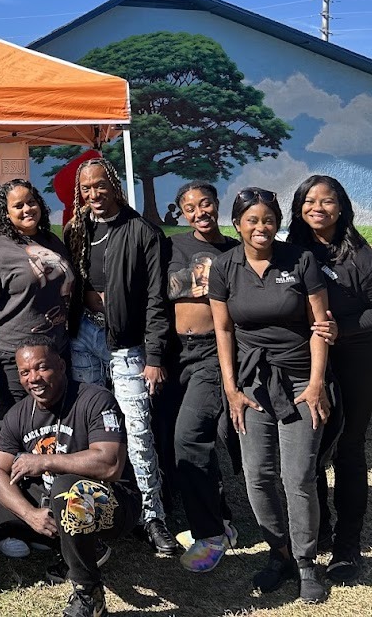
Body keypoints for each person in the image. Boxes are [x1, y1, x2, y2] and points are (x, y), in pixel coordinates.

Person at [208, 187, 334, 604]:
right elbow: (224, 330)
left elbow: (320, 325)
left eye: (268, 220)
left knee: (297, 478)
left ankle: (305, 562)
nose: (261, 228)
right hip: (252, 385)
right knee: (256, 476)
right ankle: (278, 553)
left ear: (277, 223)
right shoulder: (224, 267)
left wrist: (317, 383)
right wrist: (232, 391)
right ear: (238, 224)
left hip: (300, 383)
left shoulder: (300, 261)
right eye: (252, 220)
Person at [288, 174, 372, 583]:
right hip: (306, 361)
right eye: (309, 200)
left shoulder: (362, 257)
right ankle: (318, 530)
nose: (317, 207)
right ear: (298, 206)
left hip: (357, 359)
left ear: (342, 208)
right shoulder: (289, 251)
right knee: (311, 444)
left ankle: (347, 545)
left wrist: (344, 327)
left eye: (327, 200)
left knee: (348, 448)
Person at [0, 337, 140, 617]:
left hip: (111, 501)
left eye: (42, 368)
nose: (33, 379)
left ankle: (89, 595)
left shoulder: (96, 399)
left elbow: (110, 464)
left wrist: (44, 461)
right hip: (53, 500)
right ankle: (69, 544)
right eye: (25, 372)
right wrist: (29, 514)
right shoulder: (19, 414)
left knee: (66, 489)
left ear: (61, 366)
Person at [63, 157, 178, 556]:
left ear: (114, 186)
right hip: (84, 338)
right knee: (91, 430)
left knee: (137, 428)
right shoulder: (77, 230)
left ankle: (151, 516)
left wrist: (155, 356)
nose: (93, 194)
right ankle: (96, 509)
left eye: (100, 185)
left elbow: (156, 300)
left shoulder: (142, 231)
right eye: (86, 188)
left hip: (127, 344)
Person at [165, 181, 242, 572]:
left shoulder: (235, 249)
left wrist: (191, 284)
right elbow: (164, 289)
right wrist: (206, 282)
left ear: (216, 204)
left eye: (206, 203)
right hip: (177, 353)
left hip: (215, 352)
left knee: (190, 438)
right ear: (182, 213)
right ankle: (223, 522)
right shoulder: (174, 245)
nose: (200, 212)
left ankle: (209, 536)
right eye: (190, 207)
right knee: (192, 441)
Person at [0, 178, 74, 410]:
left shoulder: (51, 240)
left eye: (31, 202)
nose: (27, 209)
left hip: (57, 353)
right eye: (18, 206)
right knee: (21, 430)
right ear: (6, 213)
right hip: (16, 361)